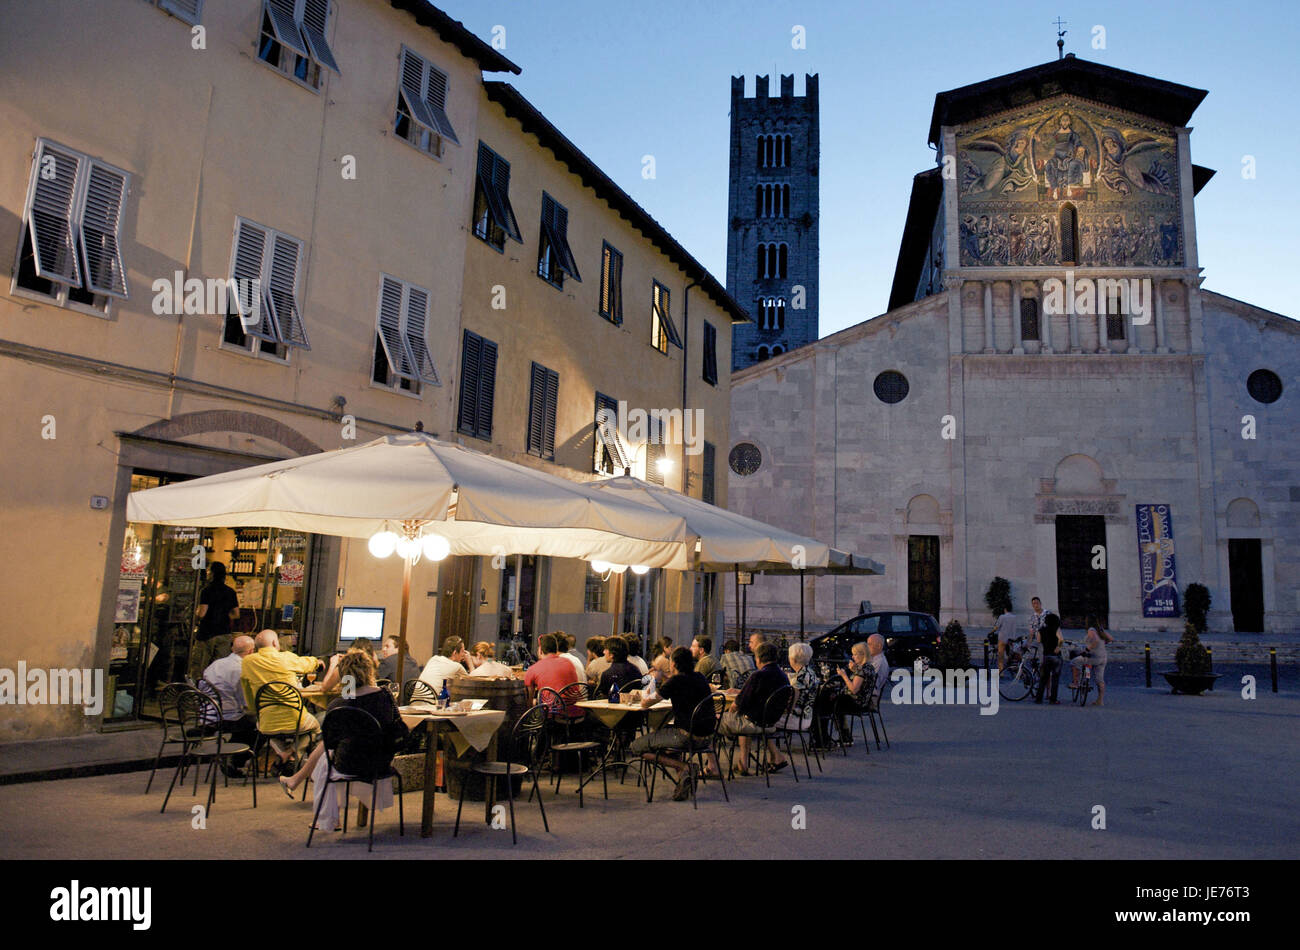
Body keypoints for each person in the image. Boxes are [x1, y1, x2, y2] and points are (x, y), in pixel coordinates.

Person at [278, 650, 410, 831]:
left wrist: (346, 683)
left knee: (326, 757)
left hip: (348, 764)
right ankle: (299, 783)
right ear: (370, 670)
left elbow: (331, 740)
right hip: (381, 761)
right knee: (331, 752)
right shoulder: (385, 696)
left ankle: (327, 817)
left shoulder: (339, 705)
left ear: (344, 675)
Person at [629, 647, 719, 800]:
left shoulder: (675, 681)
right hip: (707, 737)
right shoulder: (700, 677)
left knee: (636, 747)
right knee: (666, 741)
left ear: (674, 664)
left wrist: (653, 682)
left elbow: (645, 704)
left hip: (685, 735)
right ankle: (683, 780)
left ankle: (684, 767)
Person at [240, 629, 323, 771]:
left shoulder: (247, 662)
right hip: (296, 719)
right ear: (274, 643)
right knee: (315, 728)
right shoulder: (286, 657)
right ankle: (292, 754)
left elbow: (247, 691)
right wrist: (319, 662)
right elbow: (309, 663)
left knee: (265, 729)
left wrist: (255, 710)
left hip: (266, 720)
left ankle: (283, 754)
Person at [720, 642, 789, 775]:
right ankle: (744, 762)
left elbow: (737, 705)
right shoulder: (783, 676)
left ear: (758, 658)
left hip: (753, 723)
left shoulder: (758, 676)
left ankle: (714, 765)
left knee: (715, 720)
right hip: (771, 723)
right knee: (745, 716)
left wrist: (728, 713)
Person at [200, 634, 257, 775]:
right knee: (259, 725)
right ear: (251, 651)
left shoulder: (216, 664)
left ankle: (230, 753)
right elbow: (245, 702)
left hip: (207, 715)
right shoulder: (240, 669)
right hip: (225, 718)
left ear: (232, 648)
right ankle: (235, 760)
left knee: (248, 722)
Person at [191, 562, 239, 681]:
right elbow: (236, 614)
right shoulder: (230, 592)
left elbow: (202, 613)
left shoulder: (207, 591)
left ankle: (200, 693)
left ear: (212, 574)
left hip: (207, 633)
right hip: (224, 633)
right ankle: (216, 693)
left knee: (201, 668)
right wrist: (224, 616)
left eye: (208, 571)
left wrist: (196, 615)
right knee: (220, 669)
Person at [834, 641, 876, 743]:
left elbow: (854, 689)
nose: (852, 657)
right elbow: (862, 679)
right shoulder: (869, 667)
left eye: (855, 654)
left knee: (834, 702)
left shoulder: (862, 670)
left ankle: (844, 736)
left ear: (862, 655)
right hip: (864, 701)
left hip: (857, 702)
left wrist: (844, 675)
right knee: (836, 700)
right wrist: (854, 670)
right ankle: (844, 735)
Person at [524, 634, 579, 711]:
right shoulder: (568, 662)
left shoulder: (534, 668)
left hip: (552, 716)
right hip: (576, 713)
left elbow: (529, 702)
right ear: (556, 650)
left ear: (540, 650)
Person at [1071, 620, 1114, 706]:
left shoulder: (1091, 630)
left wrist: (1088, 649)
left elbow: (1096, 641)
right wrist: (1103, 643)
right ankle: (1100, 700)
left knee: (1074, 662)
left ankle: (1076, 682)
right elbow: (1111, 639)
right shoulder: (1100, 630)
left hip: (1093, 656)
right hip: (1102, 657)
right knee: (1099, 679)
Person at [782, 643, 820, 732]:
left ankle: (770, 746)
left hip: (797, 719)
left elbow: (791, 704)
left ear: (792, 659)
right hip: (807, 717)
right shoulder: (810, 672)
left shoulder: (799, 678)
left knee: (763, 719)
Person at [1033, 612, 1063, 704]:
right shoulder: (1056, 629)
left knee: (1043, 678)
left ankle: (1039, 698)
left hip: (1046, 655)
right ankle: (1053, 699)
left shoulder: (1041, 629)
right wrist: (1058, 647)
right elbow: (1061, 639)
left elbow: (1038, 641)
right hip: (1056, 656)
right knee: (1055, 678)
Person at [992, 605, 1019, 672]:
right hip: (1011, 639)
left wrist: (991, 632)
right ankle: (1011, 667)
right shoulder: (1015, 617)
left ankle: (1001, 671)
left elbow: (996, 627)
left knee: (1001, 654)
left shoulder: (1002, 616)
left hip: (1002, 638)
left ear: (1005, 609)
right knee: (1010, 654)